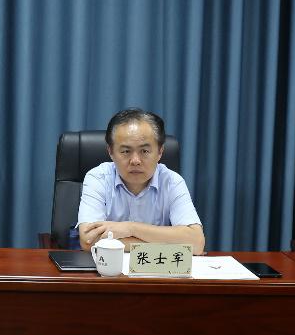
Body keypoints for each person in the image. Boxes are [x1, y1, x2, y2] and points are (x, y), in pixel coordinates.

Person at [76, 108, 205, 254]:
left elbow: (196, 243)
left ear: (160, 152)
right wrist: (168, 243)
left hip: (156, 268)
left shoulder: (172, 182)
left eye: (144, 151)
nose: (135, 161)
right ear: (110, 151)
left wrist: (131, 228)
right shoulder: (98, 178)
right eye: (126, 151)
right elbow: (88, 240)